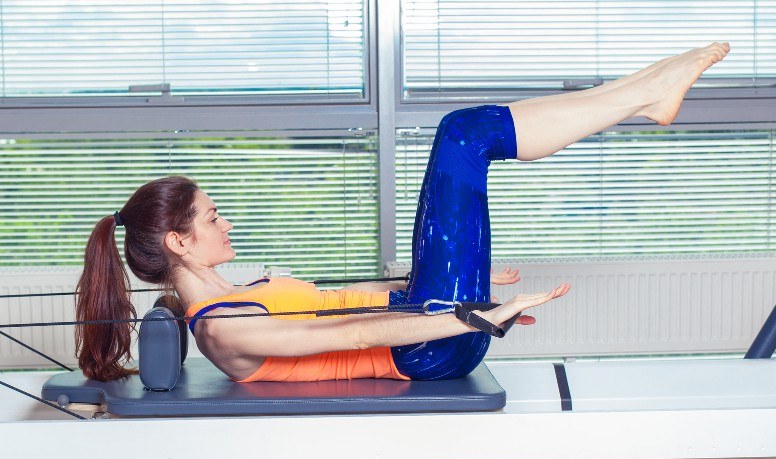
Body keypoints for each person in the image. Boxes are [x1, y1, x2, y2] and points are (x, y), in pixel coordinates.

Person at [75, 43, 731, 383]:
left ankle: (644, 93)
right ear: (179, 242)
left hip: (423, 315)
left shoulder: (239, 292)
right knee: (463, 136)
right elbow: (354, 337)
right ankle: (646, 93)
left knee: (465, 137)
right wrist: (474, 315)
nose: (227, 224)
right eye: (213, 216)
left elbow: (342, 303)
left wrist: (421, 282)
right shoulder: (221, 330)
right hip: (424, 350)